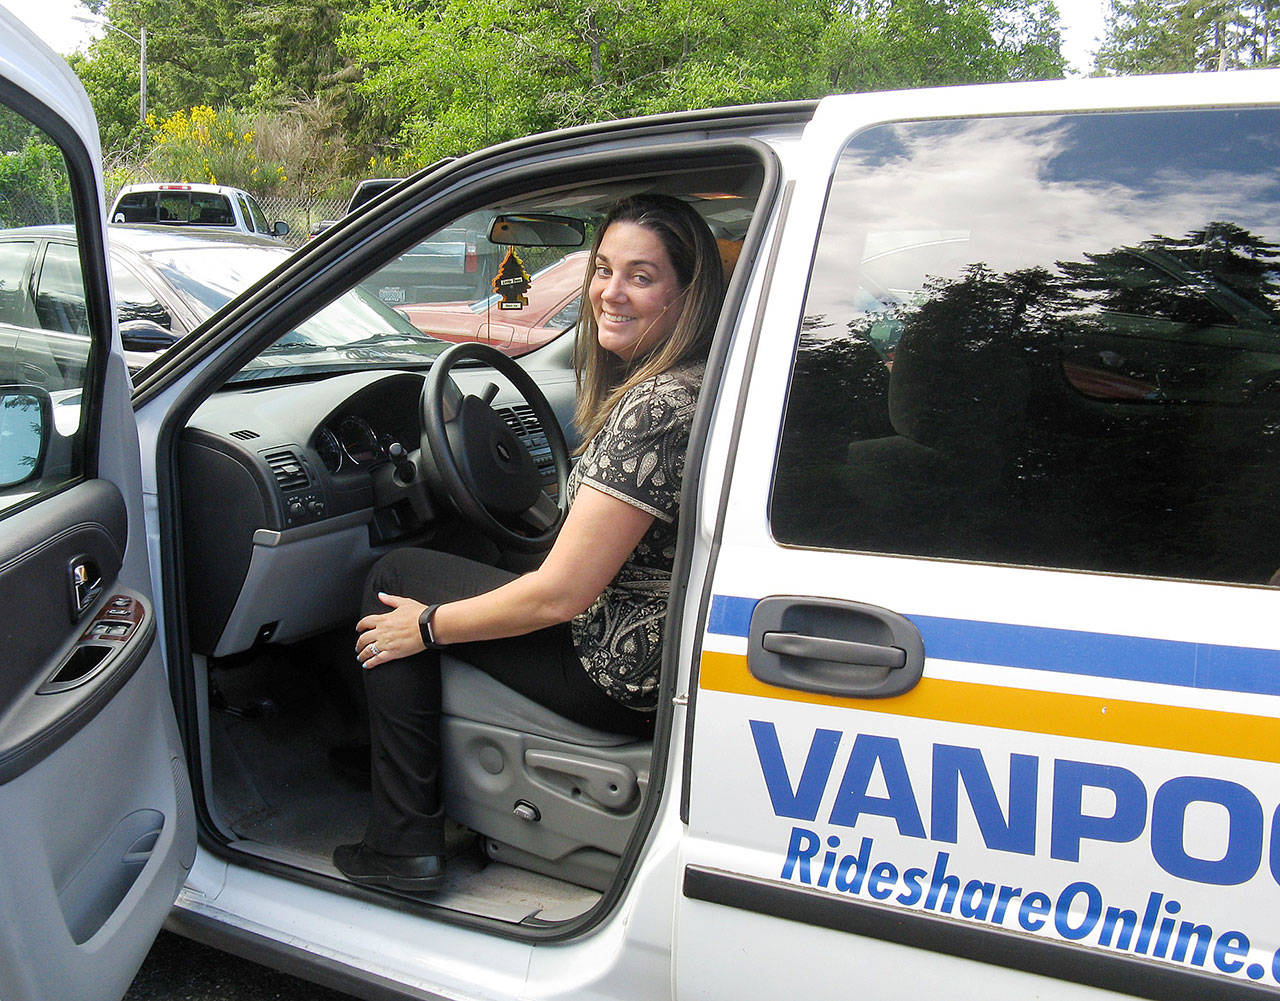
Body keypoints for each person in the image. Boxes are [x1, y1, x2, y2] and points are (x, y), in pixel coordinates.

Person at [334, 194, 726, 892]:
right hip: (646, 636)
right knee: (471, 557)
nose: (610, 291)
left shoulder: (655, 407)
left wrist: (424, 628)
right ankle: (376, 752)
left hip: (612, 664)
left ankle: (402, 843)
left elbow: (563, 592)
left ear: (685, 294)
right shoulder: (700, 382)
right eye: (603, 268)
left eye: (641, 276)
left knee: (394, 576)